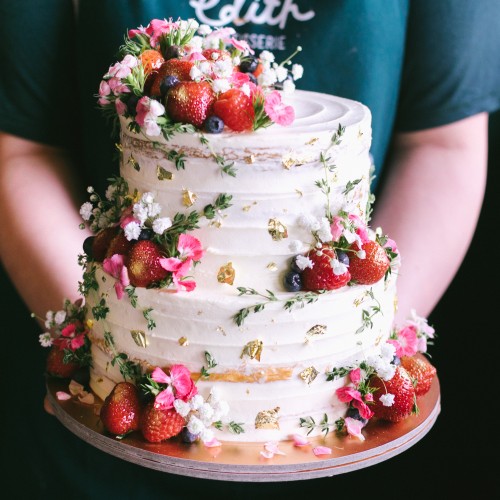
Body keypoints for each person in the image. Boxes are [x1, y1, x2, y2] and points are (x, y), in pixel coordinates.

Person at [1, 0, 499, 497]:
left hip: (332, 442)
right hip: (93, 465)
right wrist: (105, 344)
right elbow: (23, 149)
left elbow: (442, 144)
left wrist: (357, 350)